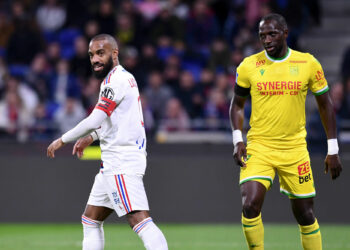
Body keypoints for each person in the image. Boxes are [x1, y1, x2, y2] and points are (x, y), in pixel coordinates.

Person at [229, 13, 342, 250]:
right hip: (259, 147)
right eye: (262, 36)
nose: (267, 40)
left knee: (305, 214)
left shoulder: (307, 63)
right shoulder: (249, 65)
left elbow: (325, 104)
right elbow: (237, 105)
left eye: (272, 34)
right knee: (250, 205)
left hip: (295, 150)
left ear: (285, 33)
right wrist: (238, 139)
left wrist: (333, 149)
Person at [47, 34, 168, 250]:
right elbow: (117, 120)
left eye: (100, 53)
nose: (95, 59)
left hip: (121, 162)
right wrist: (91, 137)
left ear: (115, 53)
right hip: (114, 163)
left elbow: (95, 118)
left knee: (139, 220)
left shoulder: (115, 81)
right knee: (91, 219)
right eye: (92, 55)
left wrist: (62, 140)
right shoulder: (124, 78)